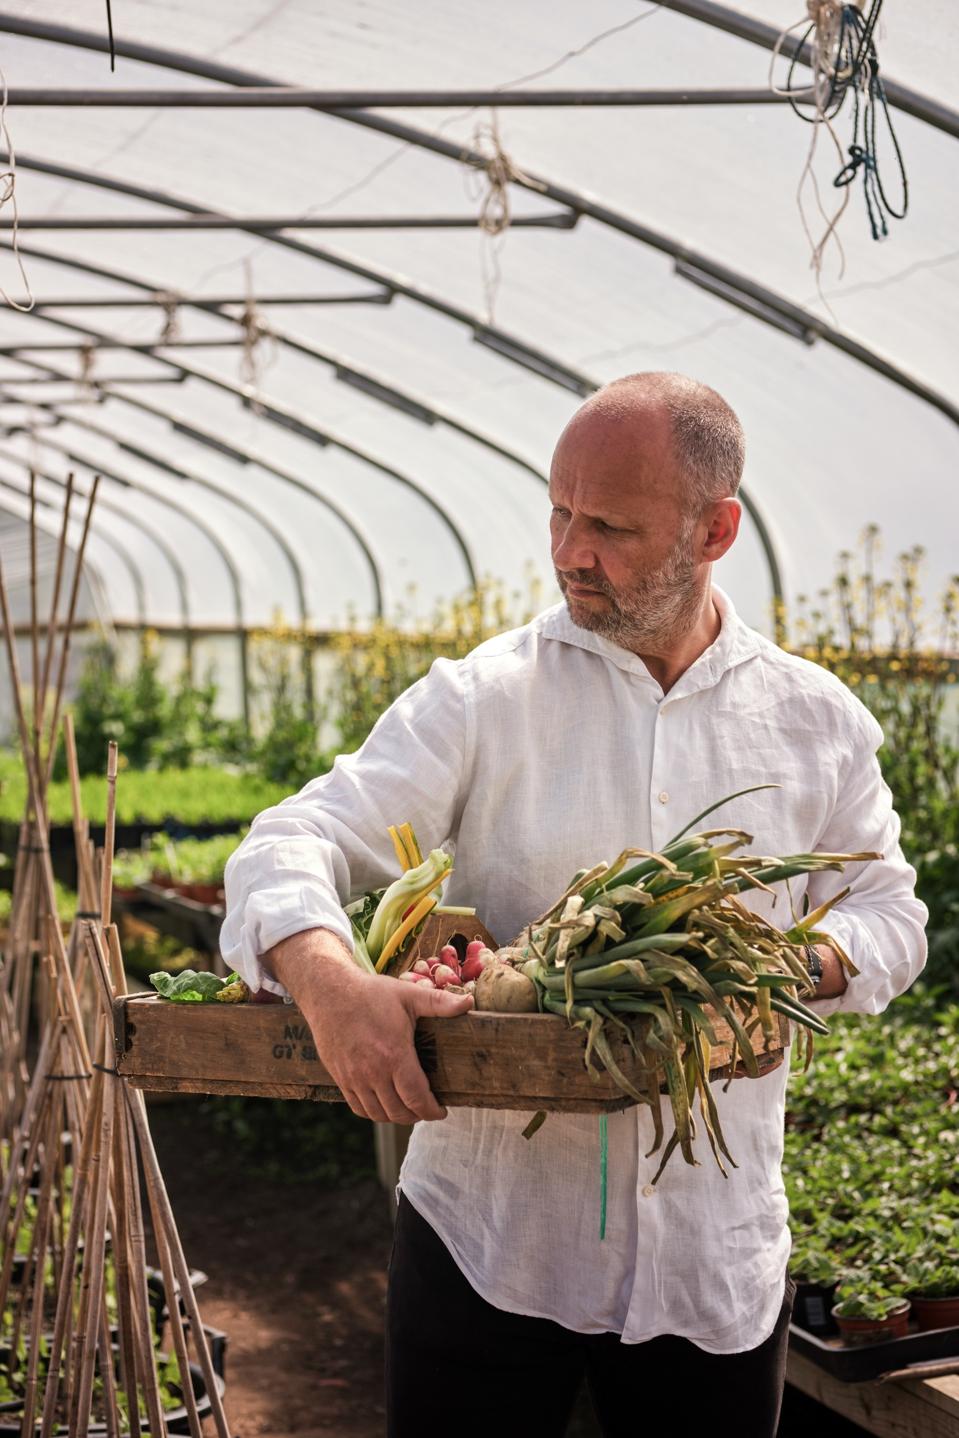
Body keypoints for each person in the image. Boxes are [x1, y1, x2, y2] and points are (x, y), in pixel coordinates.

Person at [221, 372, 927, 1438]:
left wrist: (788, 967)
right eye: (558, 511)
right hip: (491, 1242)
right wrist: (329, 984)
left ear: (714, 530)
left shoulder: (809, 719)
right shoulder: (483, 696)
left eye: (608, 525)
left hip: (710, 1259)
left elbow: (889, 911)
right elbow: (291, 839)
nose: (568, 550)